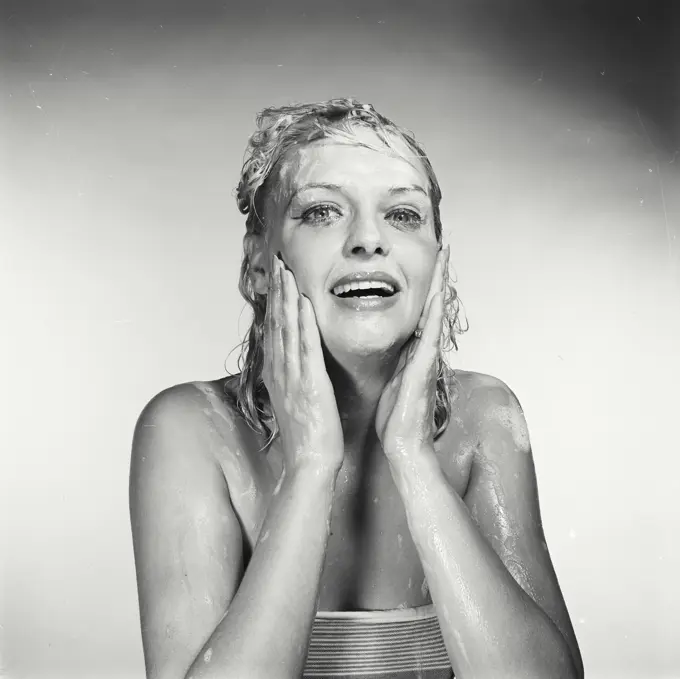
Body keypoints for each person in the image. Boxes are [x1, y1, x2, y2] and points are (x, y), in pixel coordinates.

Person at [129, 98, 584, 679]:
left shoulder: (485, 418)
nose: (368, 239)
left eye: (404, 215)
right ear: (259, 265)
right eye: (321, 211)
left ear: (437, 261)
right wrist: (311, 467)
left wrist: (414, 459)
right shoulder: (192, 430)